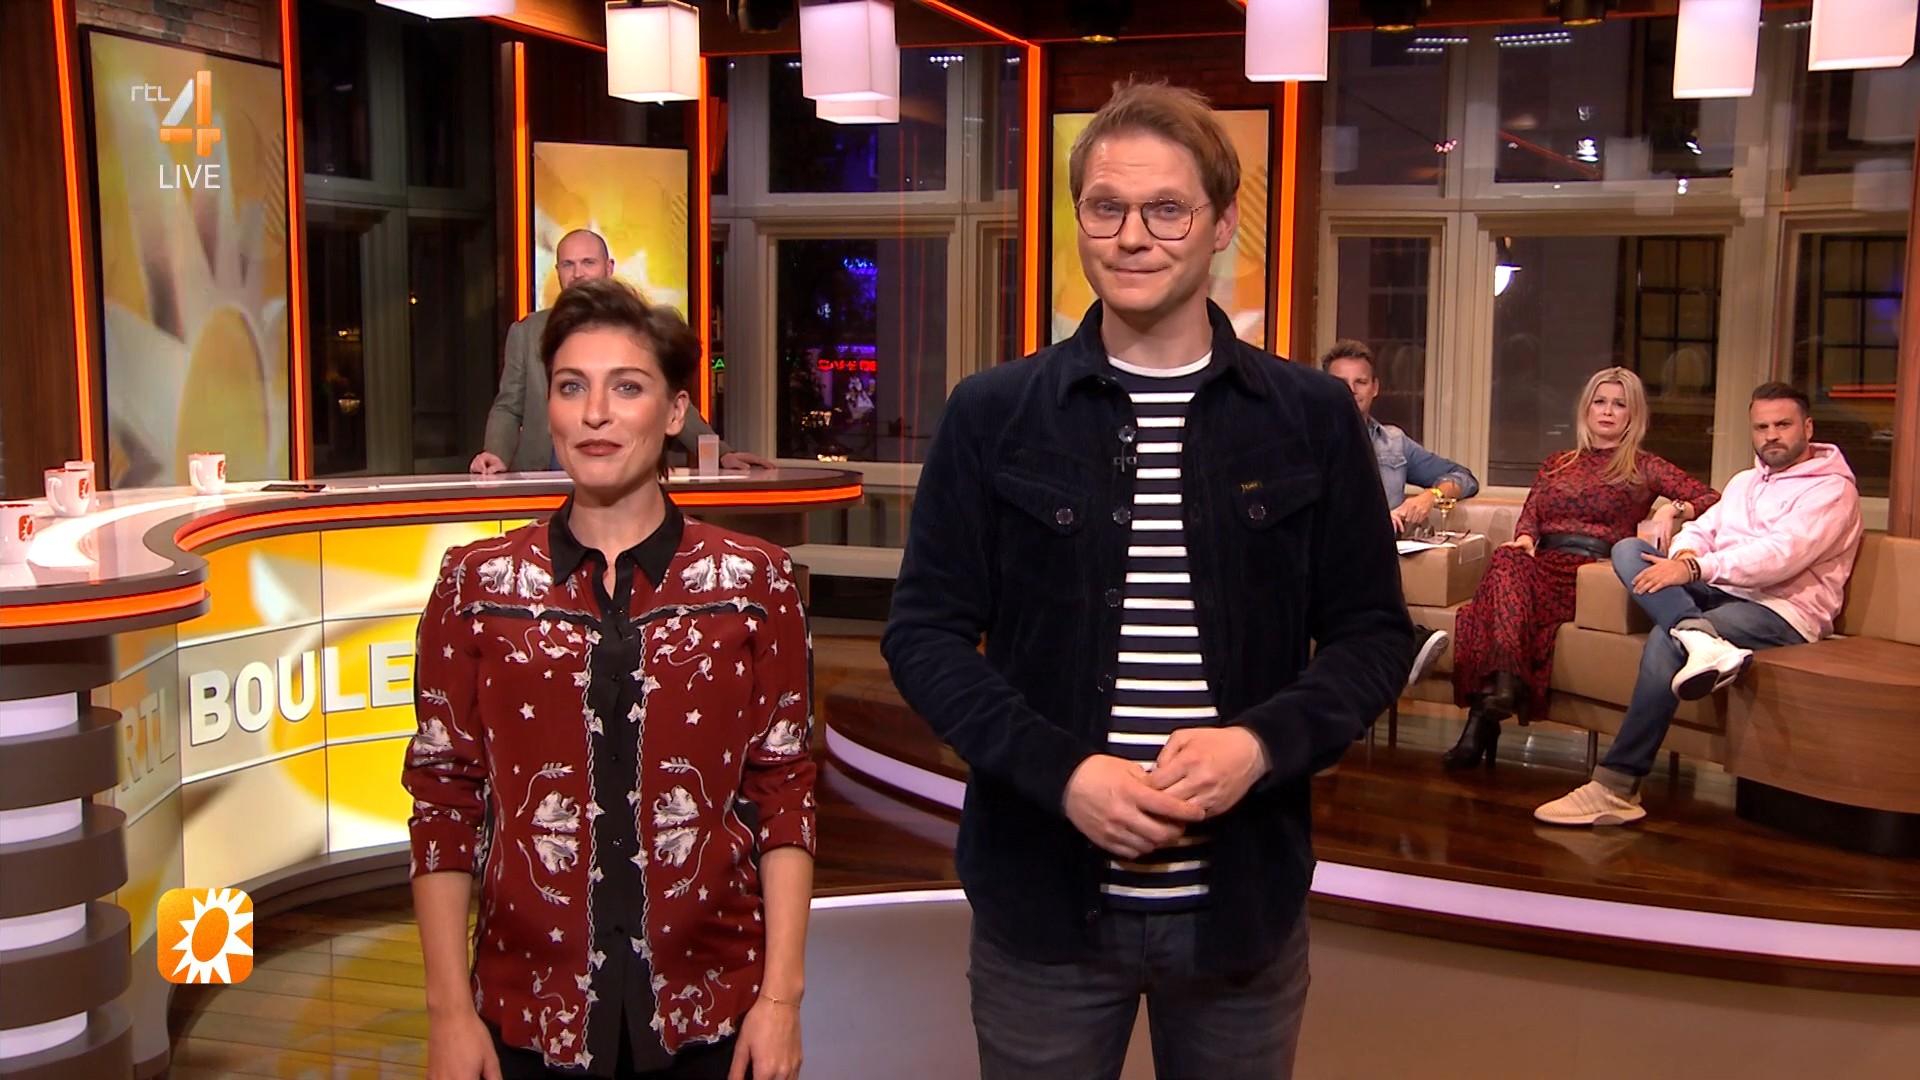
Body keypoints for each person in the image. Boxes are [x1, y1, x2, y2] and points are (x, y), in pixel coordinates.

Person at [882, 81, 1409, 1080]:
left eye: (1167, 209)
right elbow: (925, 636)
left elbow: (1373, 638)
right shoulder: (993, 413)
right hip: (1042, 911)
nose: (1133, 236)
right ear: (1078, 221)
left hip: (1240, 915)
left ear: (1221, 224)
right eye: (1106, 208)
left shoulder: (1310, 417)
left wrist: (1259, 746)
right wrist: (1063, 773)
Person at [407, 278, 814, 1080]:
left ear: (674, 412)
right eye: (571, 387)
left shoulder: (755, 580)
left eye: (626, 387)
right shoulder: (475, 584)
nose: (595, 413)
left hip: (717, 1016)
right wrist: (449, 1011)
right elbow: (443, 801)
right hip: (526, 1018)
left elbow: (784, 792)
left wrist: (782, 1000)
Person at [1535, 382, 1863, 826]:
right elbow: (1703, 529)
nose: (1771, 435)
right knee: (1629, 550)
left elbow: (1779, 558)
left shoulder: (1831, 491)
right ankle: (1699, 634)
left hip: (1783, 610)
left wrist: (1692, 570)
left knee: (1666, 639)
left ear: (1807, 427)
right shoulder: (1745, 482)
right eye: (1761, 427)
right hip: (1725, 590)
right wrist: (1686, 552)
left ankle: (1616, 786)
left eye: (1782, 425)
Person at [1443, 367, 1719, 771]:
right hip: (1544, 564)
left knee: (1489, 605)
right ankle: (1502, 686)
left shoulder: (1644, 466)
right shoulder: (1558, 462)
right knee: (1506, 558)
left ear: (1633, 415)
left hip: (1591, 574)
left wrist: (1674, 510)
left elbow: (1712, 499)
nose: (1607, 411)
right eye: (1600, 402)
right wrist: (1524, 540)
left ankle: (1485, 715)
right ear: (1586, 409)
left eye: (1619, 405)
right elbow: (1531, 518)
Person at [471, 229, 773, 475]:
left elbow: (669, 401)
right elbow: (508, 406)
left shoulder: (639, 330)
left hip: (620, 475)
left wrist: (721, 454)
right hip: (543, 478)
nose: (578, 273)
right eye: (568, 265)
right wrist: (494, 454)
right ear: (558, 271)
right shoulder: (526, 332)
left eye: (588, 262)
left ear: (609, 268)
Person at [1322, 338, 1480, 688]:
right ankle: (1406, 643)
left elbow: (1464, 477)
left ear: (1375, 388)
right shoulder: (1306, 437)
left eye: (1361, 382)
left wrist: (1430, 496)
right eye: (1340, 383)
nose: (1351, 391)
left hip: (1381, 550)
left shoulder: (1393, 442)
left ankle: (1385, 654)